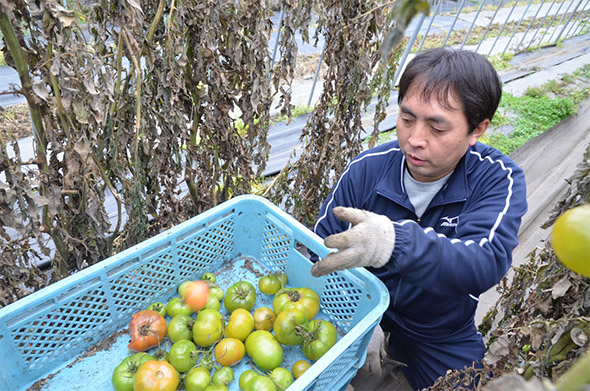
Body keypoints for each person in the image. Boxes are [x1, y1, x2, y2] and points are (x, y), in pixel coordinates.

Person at [310, 47, 528, 390]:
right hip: (365, 311)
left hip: (438, 332)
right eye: (407, 118)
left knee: (468, 385)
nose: (414, 140)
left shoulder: (496, 179)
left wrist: (394, 243)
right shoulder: (366, 170)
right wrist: (356, 322)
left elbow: (484, 262)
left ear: (477, 129)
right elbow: (320, 250)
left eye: (437, 128)